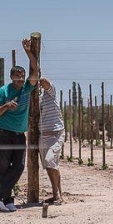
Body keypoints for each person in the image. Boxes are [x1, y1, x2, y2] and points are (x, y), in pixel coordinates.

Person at [0, 38, 38, 212]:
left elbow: (35, 71)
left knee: (18, 166)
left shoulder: (26, 88)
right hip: (3, 133)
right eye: (17, 77)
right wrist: (6, 106)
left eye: (22, 77)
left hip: (18, 134)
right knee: (4, 168)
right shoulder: (4, 91)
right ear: (11, 77)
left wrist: (28, 52)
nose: (20, 80)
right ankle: (8, 200)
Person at [38, 76, 65, 205]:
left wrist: (35, 80)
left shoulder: (50, 92)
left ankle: (57, 195)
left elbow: (44, 81)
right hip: (43, 135)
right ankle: (57, 195)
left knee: (50, 160)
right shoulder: (35, 99)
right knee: (50, 165)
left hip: (56, 133)